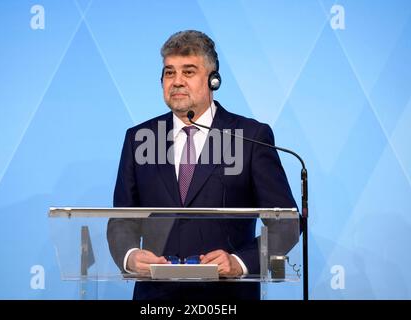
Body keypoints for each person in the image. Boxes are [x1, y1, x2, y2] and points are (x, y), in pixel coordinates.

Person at [107, 30, 298, 300]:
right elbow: (121, 221)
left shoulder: (250, 137)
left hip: (226, 298)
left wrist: (240, 262)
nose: (176, 82)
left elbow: (286, 224)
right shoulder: (139, 139)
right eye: (169, 73)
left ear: (213, 80)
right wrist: (130, 256)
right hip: (156, 297)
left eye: (188, 72)